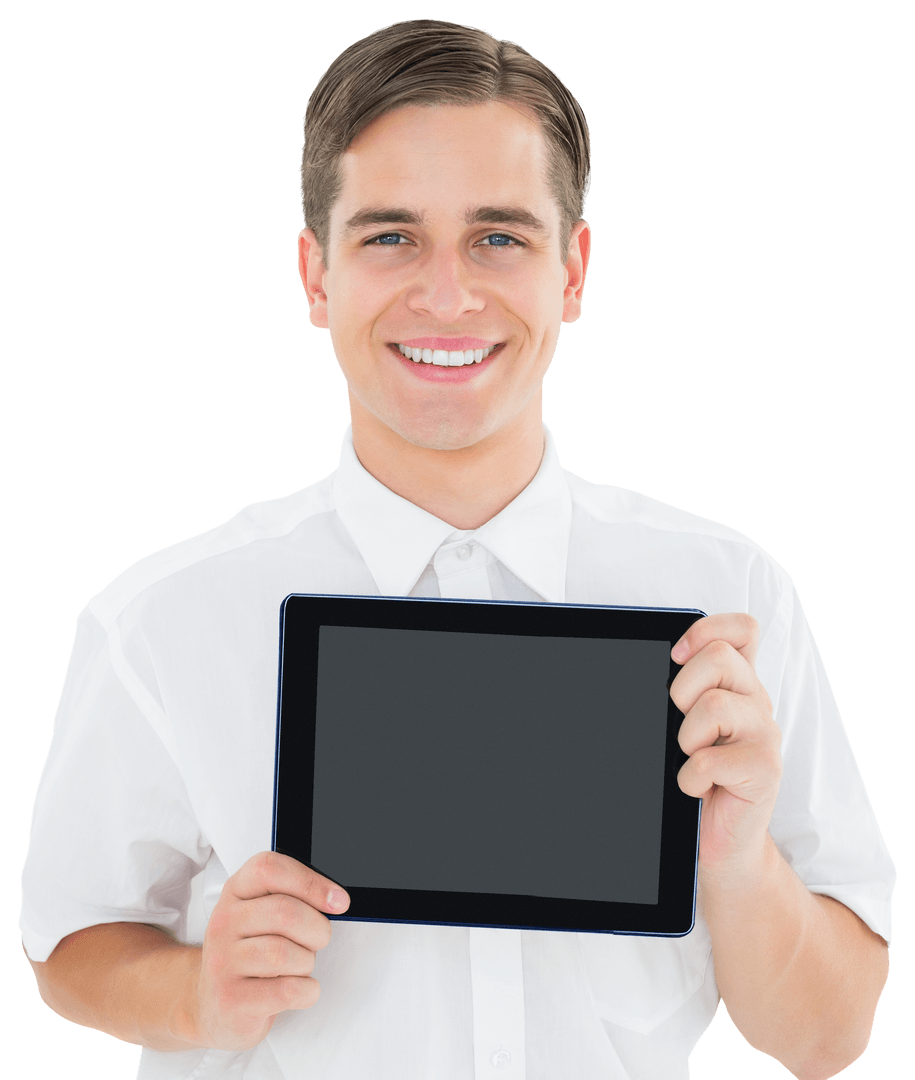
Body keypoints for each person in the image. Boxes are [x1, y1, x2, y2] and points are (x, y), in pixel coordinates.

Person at [21, 19, 893, 1080]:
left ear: (572, 272)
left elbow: (827, 1038)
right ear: (316, 277)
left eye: (499, 237)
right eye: (390, 237)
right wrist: (197, 994)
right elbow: (72, 945)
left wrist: (740, 859)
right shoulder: (162, 617)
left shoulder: (727, 598)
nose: (446, 295)